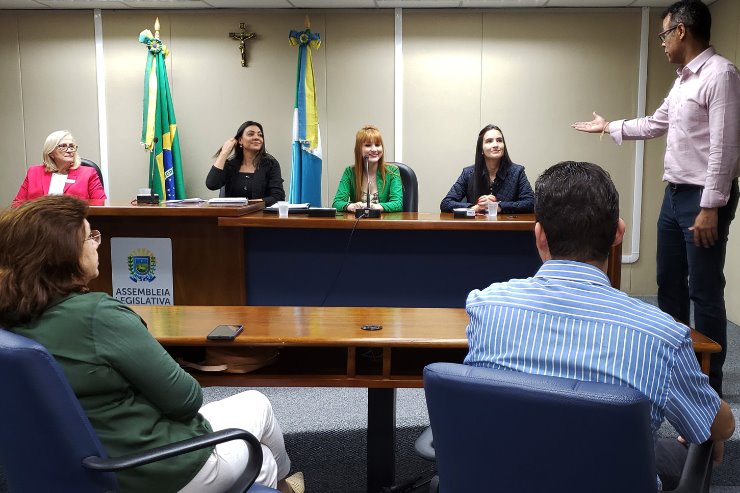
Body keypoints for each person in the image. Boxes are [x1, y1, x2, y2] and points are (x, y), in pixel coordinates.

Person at [0, 195, 303, 493]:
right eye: (89, 237)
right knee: (260, 448)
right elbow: (186, 399)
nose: (96, 243)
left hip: (75, 465)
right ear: (63, 255)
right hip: (151, 469)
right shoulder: (97, 315)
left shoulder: (10, 318)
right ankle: (285, 485)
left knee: (253, 414)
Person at [464, 161, 735, 490]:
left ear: (539, 236)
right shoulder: (663, 336)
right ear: (618, 233)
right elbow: (722, 427)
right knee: (685, 445)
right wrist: (707, 417)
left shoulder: (484, 307)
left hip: (506, 478)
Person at [571, 0, 740, 396]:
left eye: (664, 34)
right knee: (669, 286)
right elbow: (655, 122)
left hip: (703, 198)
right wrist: (608, 126)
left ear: (681, 31)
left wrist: (711, 206)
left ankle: (709, 389)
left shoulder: (721, 74)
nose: (662, 43)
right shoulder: (683, 80)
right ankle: (675, 372)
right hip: (674, 195)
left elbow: (725, 148)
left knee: (704, 290)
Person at [440, 124, 534, 214]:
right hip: (476, 228)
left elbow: (531, 203)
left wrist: (499, 206)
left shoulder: (517, 172)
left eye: (499, 140)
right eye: (489, 141)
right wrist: (475, 208)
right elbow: (446, 203)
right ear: (481, 149)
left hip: (506, 228)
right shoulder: (468, 173)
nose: (496, 145)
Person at [12, 130, 107, 206]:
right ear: (51, 152)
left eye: (71, 146)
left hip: (74, 224)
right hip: (38, 225)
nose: (69, 150)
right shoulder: (34, 172)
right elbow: (17, 205)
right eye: (63, 146)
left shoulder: (88, 173)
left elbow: (101, 204)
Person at [206, 121, 286, 206]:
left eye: (260, 135)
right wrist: (224, 153)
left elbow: (278, 197)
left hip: (260, 216)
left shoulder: (271, 164)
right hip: (232, 216)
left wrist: (248, 204)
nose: (257, 137)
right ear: (240, 140)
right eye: (251, 134)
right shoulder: (230, 165)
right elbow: (212, 184)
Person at [332, 125, 403, 213]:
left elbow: (398, 203)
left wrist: (377, 207)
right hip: (359, 224)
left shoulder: (392, 171)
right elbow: (337, 203)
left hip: (384, 223)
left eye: (377, 145)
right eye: (368, 145)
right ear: (359, 150)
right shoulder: (349, 172)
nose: (374, 149)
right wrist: (351, 206)